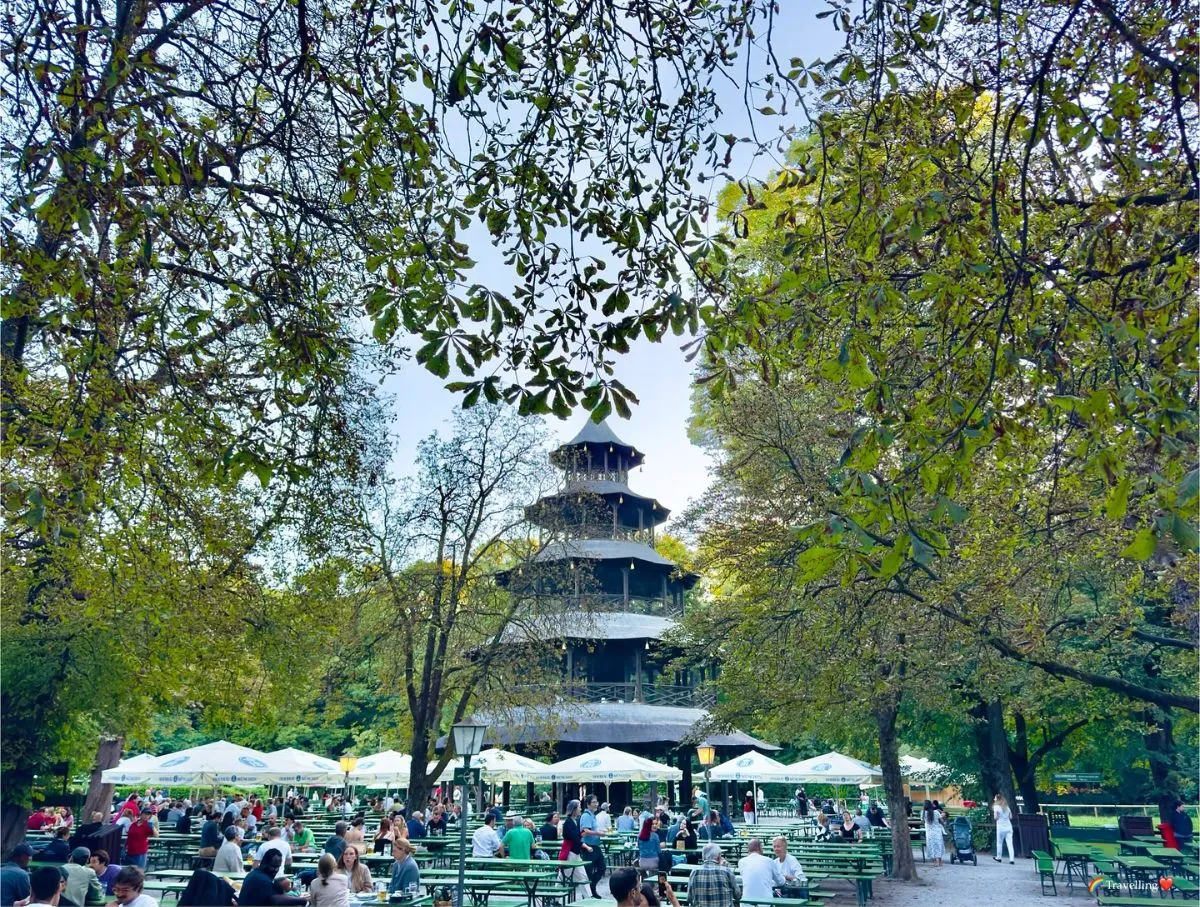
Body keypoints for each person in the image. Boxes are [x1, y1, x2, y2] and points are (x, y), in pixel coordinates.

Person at [235, 849, 306, 906]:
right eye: (273, 866)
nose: (275, 870)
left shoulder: (256, 874)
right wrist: (302, 900)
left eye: (278, 867)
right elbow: (275, 900)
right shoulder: (262, 879)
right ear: (264, 863)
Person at [579, 796, 606, 899]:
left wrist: (600, 832)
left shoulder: (593, 815)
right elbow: (585, 830)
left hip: (595, 845)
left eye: (597, 802)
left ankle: (591, 887)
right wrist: (598, 833)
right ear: (588, 804)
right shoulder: (586, 815)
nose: (596, 804)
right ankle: (589, 892)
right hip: (588, 846)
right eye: (594, 802)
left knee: (602, 867)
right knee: (588, 870)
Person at [992, 795, 1014, 864]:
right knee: (1010, 843)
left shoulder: (996, 807)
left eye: (995, 798)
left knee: (999, 843)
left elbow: (995, 817)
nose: (994, 799)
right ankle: (1012, 859)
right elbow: (1010, 817)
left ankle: (999, 857)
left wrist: (997, 817)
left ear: (997, 799)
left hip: (1001, 828)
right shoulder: (1007, 807)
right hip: (1009, 827)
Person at [923, 801, 945, 868]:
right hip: (937, 831)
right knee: (939, 845)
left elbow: (922, 820)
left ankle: (935, 861)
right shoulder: (936, 812)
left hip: (929, 832)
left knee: (932, 845)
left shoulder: (923, 813)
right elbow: (942, 821)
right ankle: (940, 861)